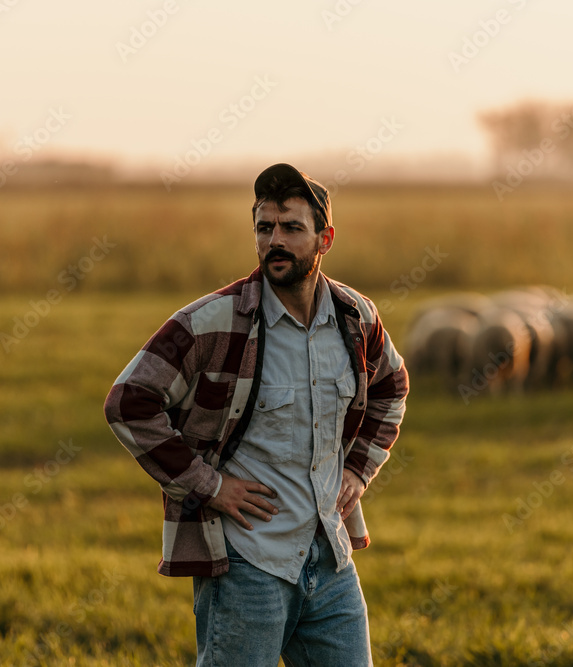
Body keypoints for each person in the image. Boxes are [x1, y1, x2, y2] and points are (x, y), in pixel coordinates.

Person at [103, 163, 408, 666]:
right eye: (265, 228)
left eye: (291, 228)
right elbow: (129, 402)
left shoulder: (356, 318)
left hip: (329, 559)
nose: (275, 241)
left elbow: (391, 387)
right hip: (247, 564)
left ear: (325, 238)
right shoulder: (212, 321)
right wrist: (210, 486)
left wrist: (358, 469)